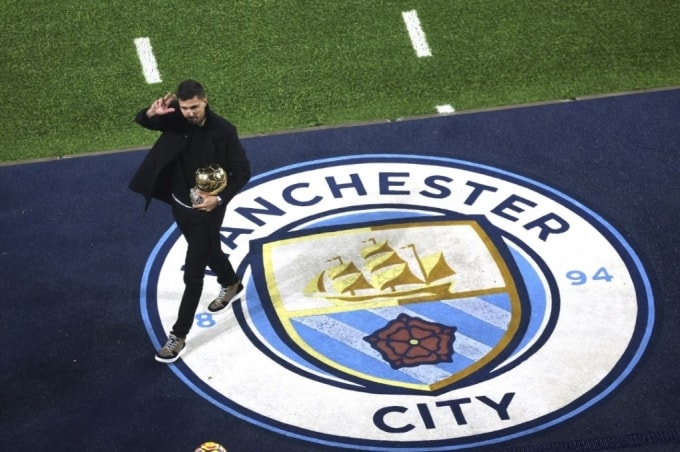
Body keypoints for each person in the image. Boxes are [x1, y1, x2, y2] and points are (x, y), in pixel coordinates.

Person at [129, 79, 251, 363]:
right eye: (185, 108)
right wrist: (151, 114)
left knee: (193, 273)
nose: (190, 113)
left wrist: (217, 200)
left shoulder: (223, 131)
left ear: (204, 101)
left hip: (206, 211)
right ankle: (231, 282)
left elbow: (242, 170)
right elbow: (144, 123)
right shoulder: (175, 117)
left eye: (194, 107)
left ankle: (178, 336)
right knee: (209, 250)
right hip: (179, 203)